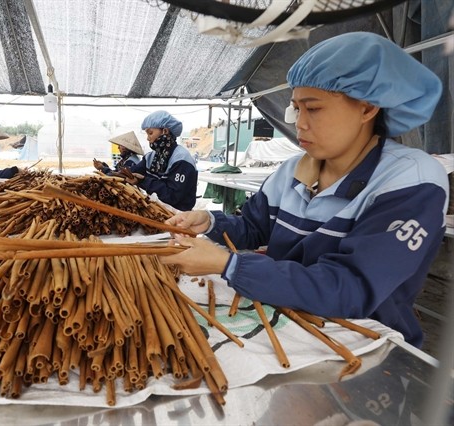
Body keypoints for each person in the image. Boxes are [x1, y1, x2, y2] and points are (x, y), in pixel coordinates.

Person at [158, 32, 448, 348]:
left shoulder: (411, 180)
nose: (300, 124)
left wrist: (229, 265)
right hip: (286, 327)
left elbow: (350, 288)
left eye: (314, 109)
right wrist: (209, 222)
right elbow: (254, 227)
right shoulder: (292, 170)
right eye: (297, 108)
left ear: (367, 109)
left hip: (361, 343)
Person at [127, 111, 198, 211]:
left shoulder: (182, 159)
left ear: (165, 131)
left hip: (178, 216)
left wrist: (143, 181)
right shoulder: (151, 157)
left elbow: (173, 197)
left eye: (150, 133)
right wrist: (107, 171)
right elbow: (131, 172)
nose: (148, 138)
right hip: (156, 210)